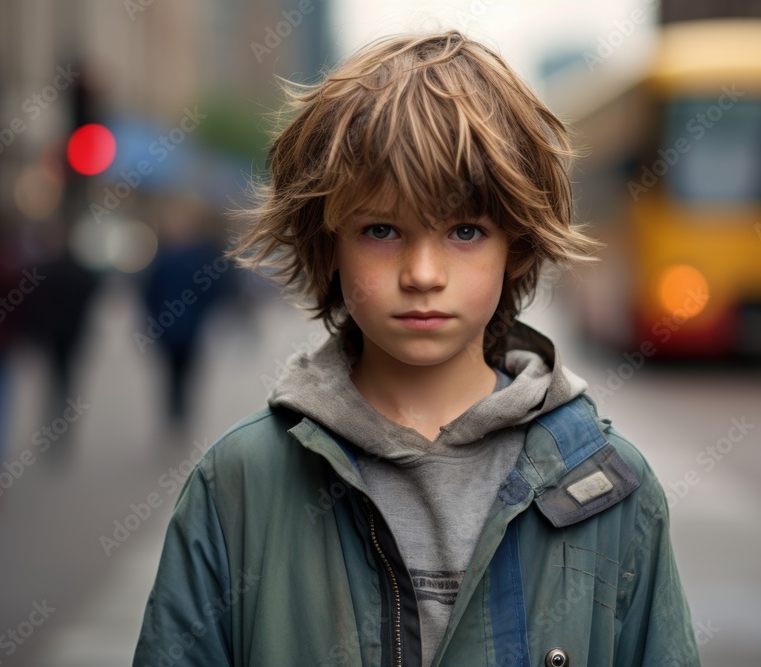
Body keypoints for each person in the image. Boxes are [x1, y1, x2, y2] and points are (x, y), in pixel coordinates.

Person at [133, 30, 701, 667]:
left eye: (465, 230)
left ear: (514, 245)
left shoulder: (613, 491)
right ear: (330, 244)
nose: (423, 273)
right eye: (381, 229)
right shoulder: (239, 483)